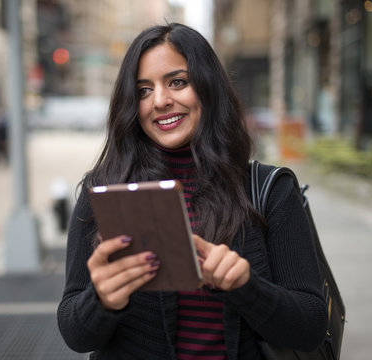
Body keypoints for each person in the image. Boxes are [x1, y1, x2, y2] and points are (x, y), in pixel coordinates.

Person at [57, 23, 327, 360]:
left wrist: (246, 286)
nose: (160, 101)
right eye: (142, 90)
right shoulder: (103, 189)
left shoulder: (269, 190)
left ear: (208, 87)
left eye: (177, 82)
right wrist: (102, 300)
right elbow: (75, 333)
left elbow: (312, 326)